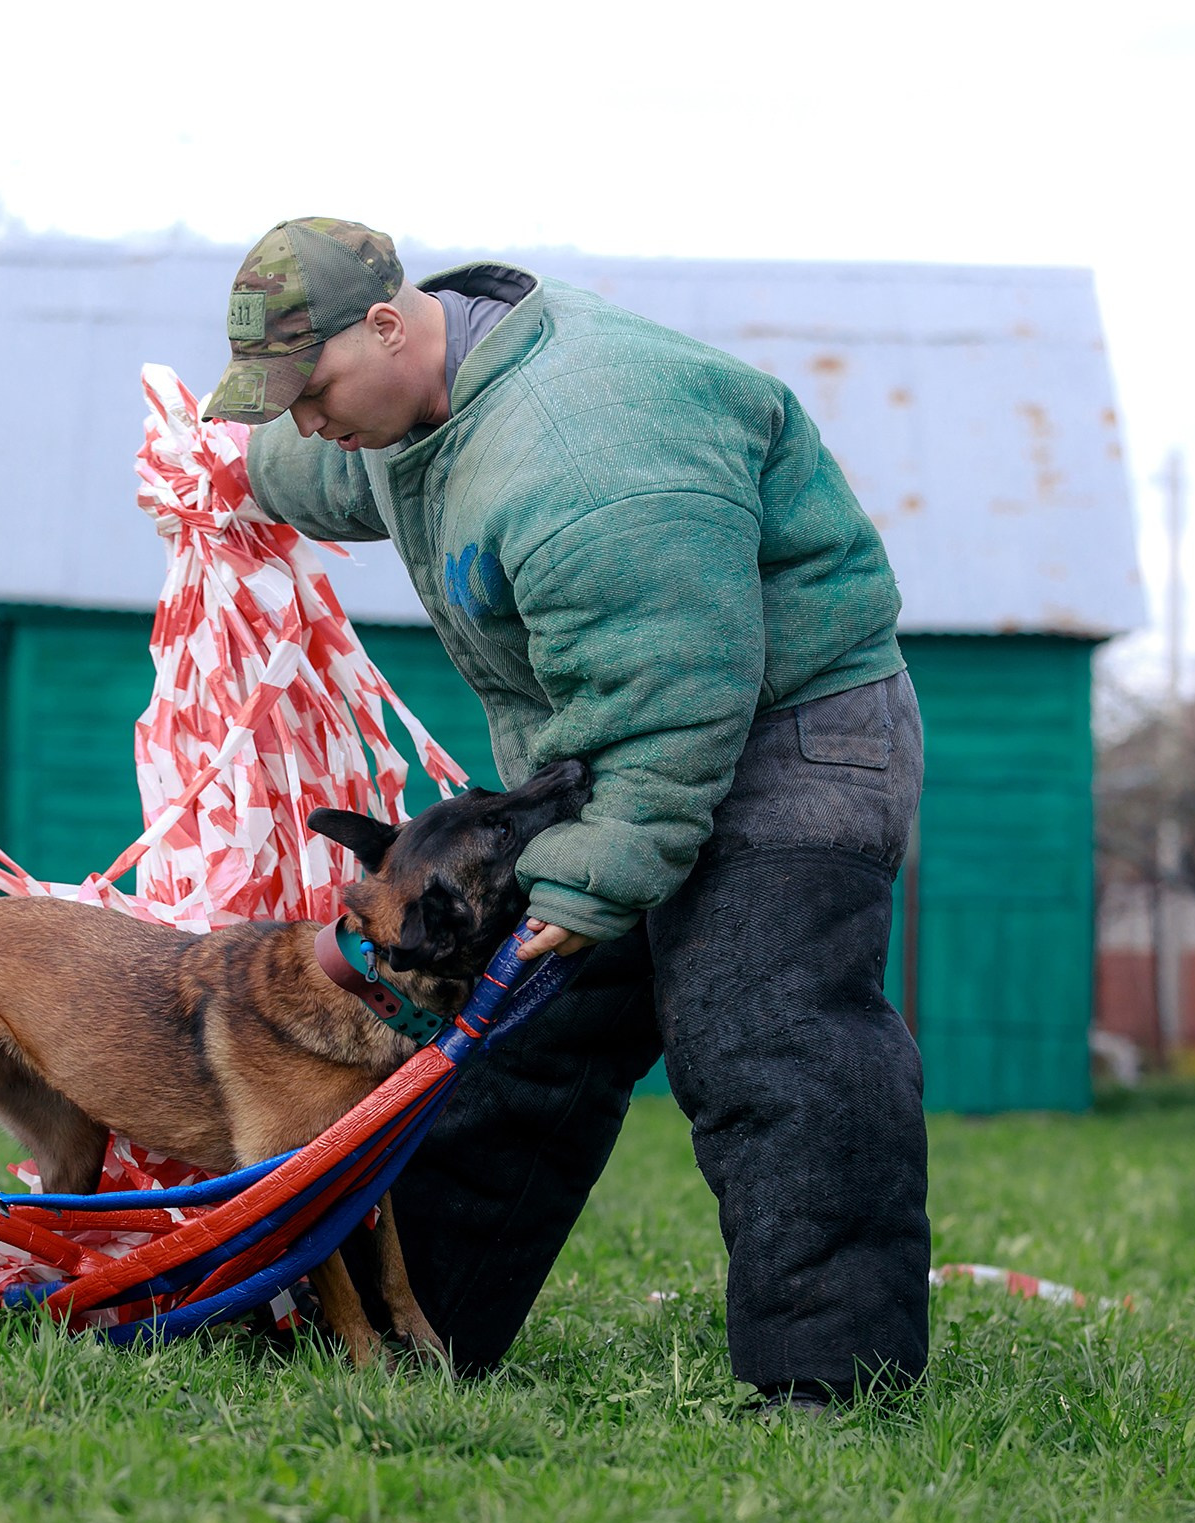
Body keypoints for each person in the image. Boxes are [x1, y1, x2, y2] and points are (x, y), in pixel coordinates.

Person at [203, 217, 928, 1408]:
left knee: (767, 1036)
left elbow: (672, 695)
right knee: (512, 1038)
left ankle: (833, 1388)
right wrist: (218, 463)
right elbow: (330, 461)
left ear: (388, 324)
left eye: (312, 390)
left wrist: (594, 878)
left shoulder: (583, 448)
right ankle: (405, 1345)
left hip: (785, 732)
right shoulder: (410, 398)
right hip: (616, 753)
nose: (309, 418)